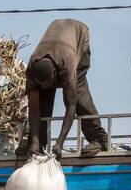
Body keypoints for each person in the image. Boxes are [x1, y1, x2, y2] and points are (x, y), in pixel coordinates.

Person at [25, 18, 110, 158]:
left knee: (78, 93)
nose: (46, 86)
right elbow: (34, 108)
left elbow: (70, 106)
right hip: (56, 41)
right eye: (42, 83)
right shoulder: (31, 69)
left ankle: (98, 139)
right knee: (42, 98)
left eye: (48, 82)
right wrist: (34, 140)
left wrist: (60, 142)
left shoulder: (67, 64)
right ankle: (38, 143)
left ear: (55, 72)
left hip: (78, 40)